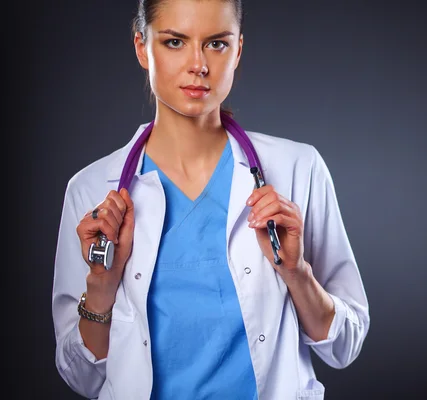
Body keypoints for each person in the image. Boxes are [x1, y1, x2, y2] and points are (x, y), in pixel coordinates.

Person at [51, 0, 370, 399]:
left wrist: (297, 273)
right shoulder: (91, 190)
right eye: (175, 42)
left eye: (216, 44)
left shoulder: (298, 169)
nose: (198, 64)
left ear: (238, 50)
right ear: (141, 47)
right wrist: (102, 284)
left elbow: (345, 346)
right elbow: (80, 377)